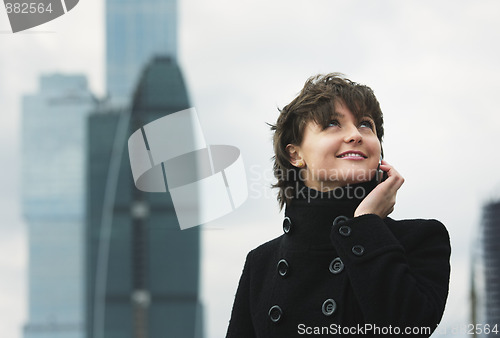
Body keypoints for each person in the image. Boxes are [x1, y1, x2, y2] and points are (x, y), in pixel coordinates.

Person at [226, 73, 451, 337]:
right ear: (295, 154)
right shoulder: (261, 264)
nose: (355, 135)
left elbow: (406, 328)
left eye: (366, 125)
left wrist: (366, 223)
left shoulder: (421, 239)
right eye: (333, 123)